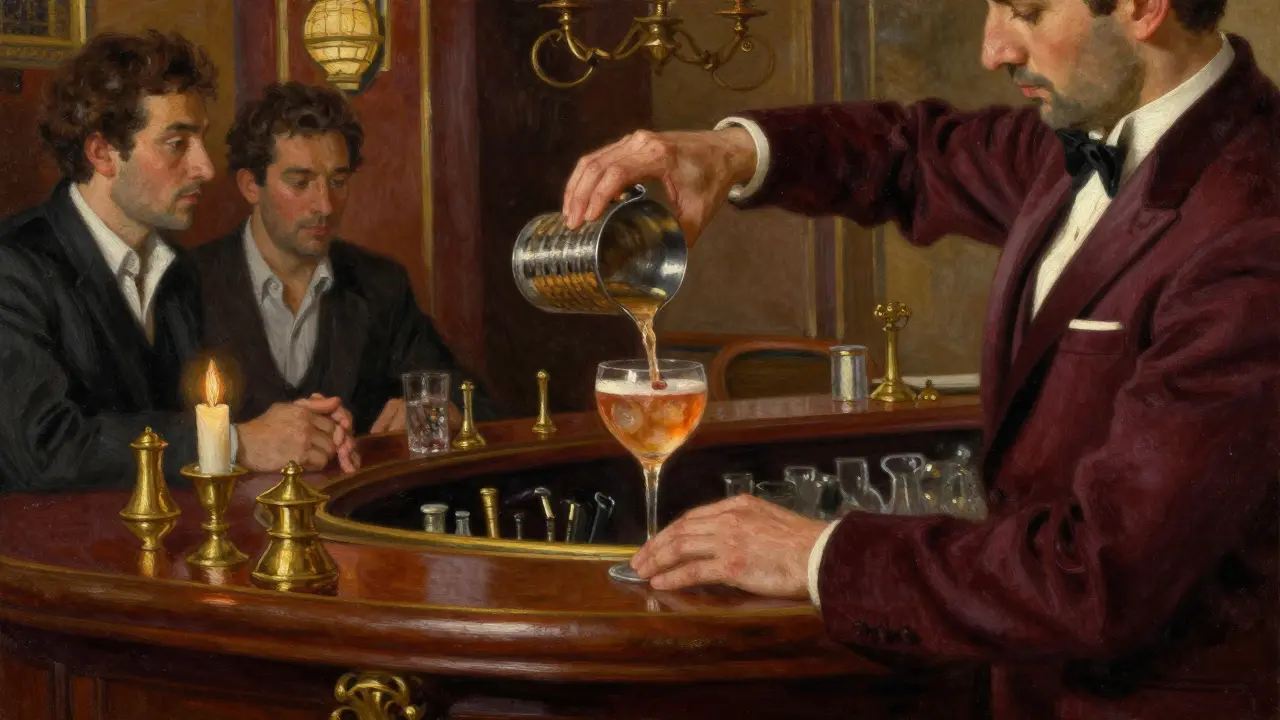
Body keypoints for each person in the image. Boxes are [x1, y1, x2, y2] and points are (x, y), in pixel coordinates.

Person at [563, 0, 1280, 718]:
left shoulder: (1254, 222)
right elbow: (912, 152)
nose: (992, 49)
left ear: (1143, 8)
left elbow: (1100, 574)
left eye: (1025, 13)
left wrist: (818, 556)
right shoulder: (1089, 131)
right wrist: (732, 152)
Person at [0, 31, 358, 493]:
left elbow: (197, 413)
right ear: (102, 153)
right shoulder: (15, 267)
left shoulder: (177, 274)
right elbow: (46, 449)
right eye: (177, 143)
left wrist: (308, 430)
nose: (206, 168)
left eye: (201, 141)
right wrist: (233, 444)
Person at [193, 81, 497, 437]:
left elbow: (474, 404)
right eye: (300, 182)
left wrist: (431, 415)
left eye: (338, 181)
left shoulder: (379, 285)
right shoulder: (192, 283)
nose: (324, 205)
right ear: (249, 186)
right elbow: (155, 430)